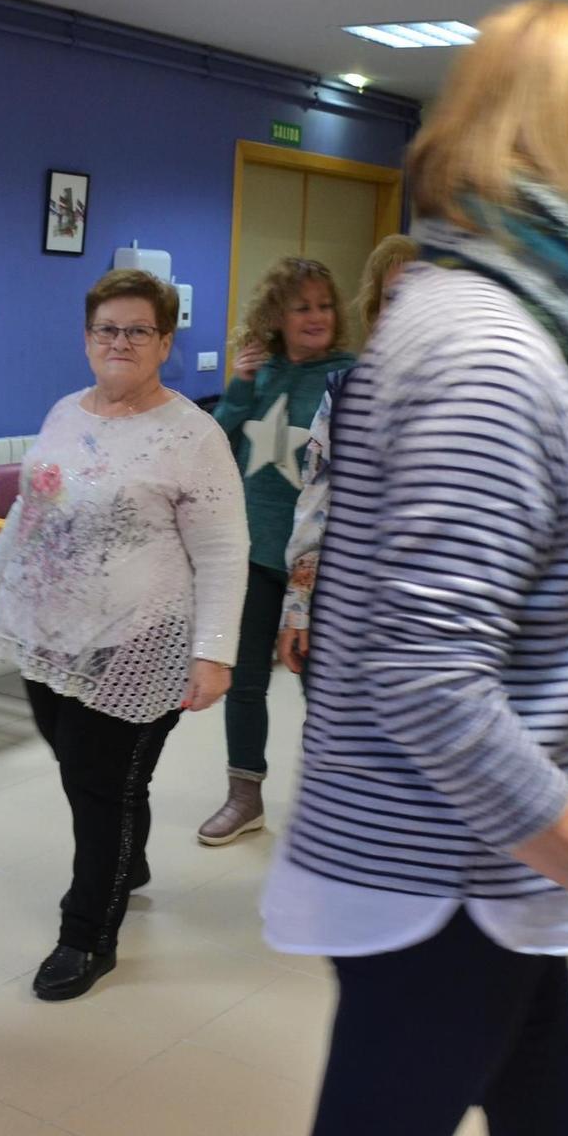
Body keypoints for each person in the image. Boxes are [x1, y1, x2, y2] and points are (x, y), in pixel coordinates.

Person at [262, 0, 568, 1136]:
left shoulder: (513, 325)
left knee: (557, 1123)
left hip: (487, 875)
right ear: (526, 148)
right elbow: (426, 679)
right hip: (442, 881)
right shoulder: (482, 349)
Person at [0, 269, 247, 1000]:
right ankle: (129, 858)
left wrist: (214, 653)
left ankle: (87, 932)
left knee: (101, 790)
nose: (119, 342)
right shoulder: (65, 411)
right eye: (105, 329)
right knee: (84, 770)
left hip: (138, 638)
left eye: (137, 330)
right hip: (44, 632)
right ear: (87, 338)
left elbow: (222, 551)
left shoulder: (193, 434)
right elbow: (30, 509)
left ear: (164, 342)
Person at [202, 258, 354, 844]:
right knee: (244, 683)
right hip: (255, 550)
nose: (316, 317)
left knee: (324, 686)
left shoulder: (350, 376)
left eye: (324, 305)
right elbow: (217, 446)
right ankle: (245, 797)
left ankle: (332, 804)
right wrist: (240, 387)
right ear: (276, 317)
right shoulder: (258, 375)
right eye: (301, 307)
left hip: (322, 564)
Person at [277, 234, 419, 675]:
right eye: (395, 297)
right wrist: (298, 607)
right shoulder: (345, 393)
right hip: (353, 607)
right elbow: (314, 503)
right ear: (377, 309)